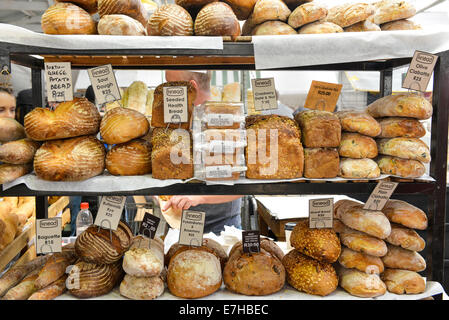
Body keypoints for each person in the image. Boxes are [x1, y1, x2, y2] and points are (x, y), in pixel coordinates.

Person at [162, 70, 243, 234]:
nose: (166, 92)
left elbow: (241, 187)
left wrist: (198, 198)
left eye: (171, 85)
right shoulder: (176, 123)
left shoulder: (226, 120)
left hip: (222, 229)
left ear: (192, 87)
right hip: (179, 226)